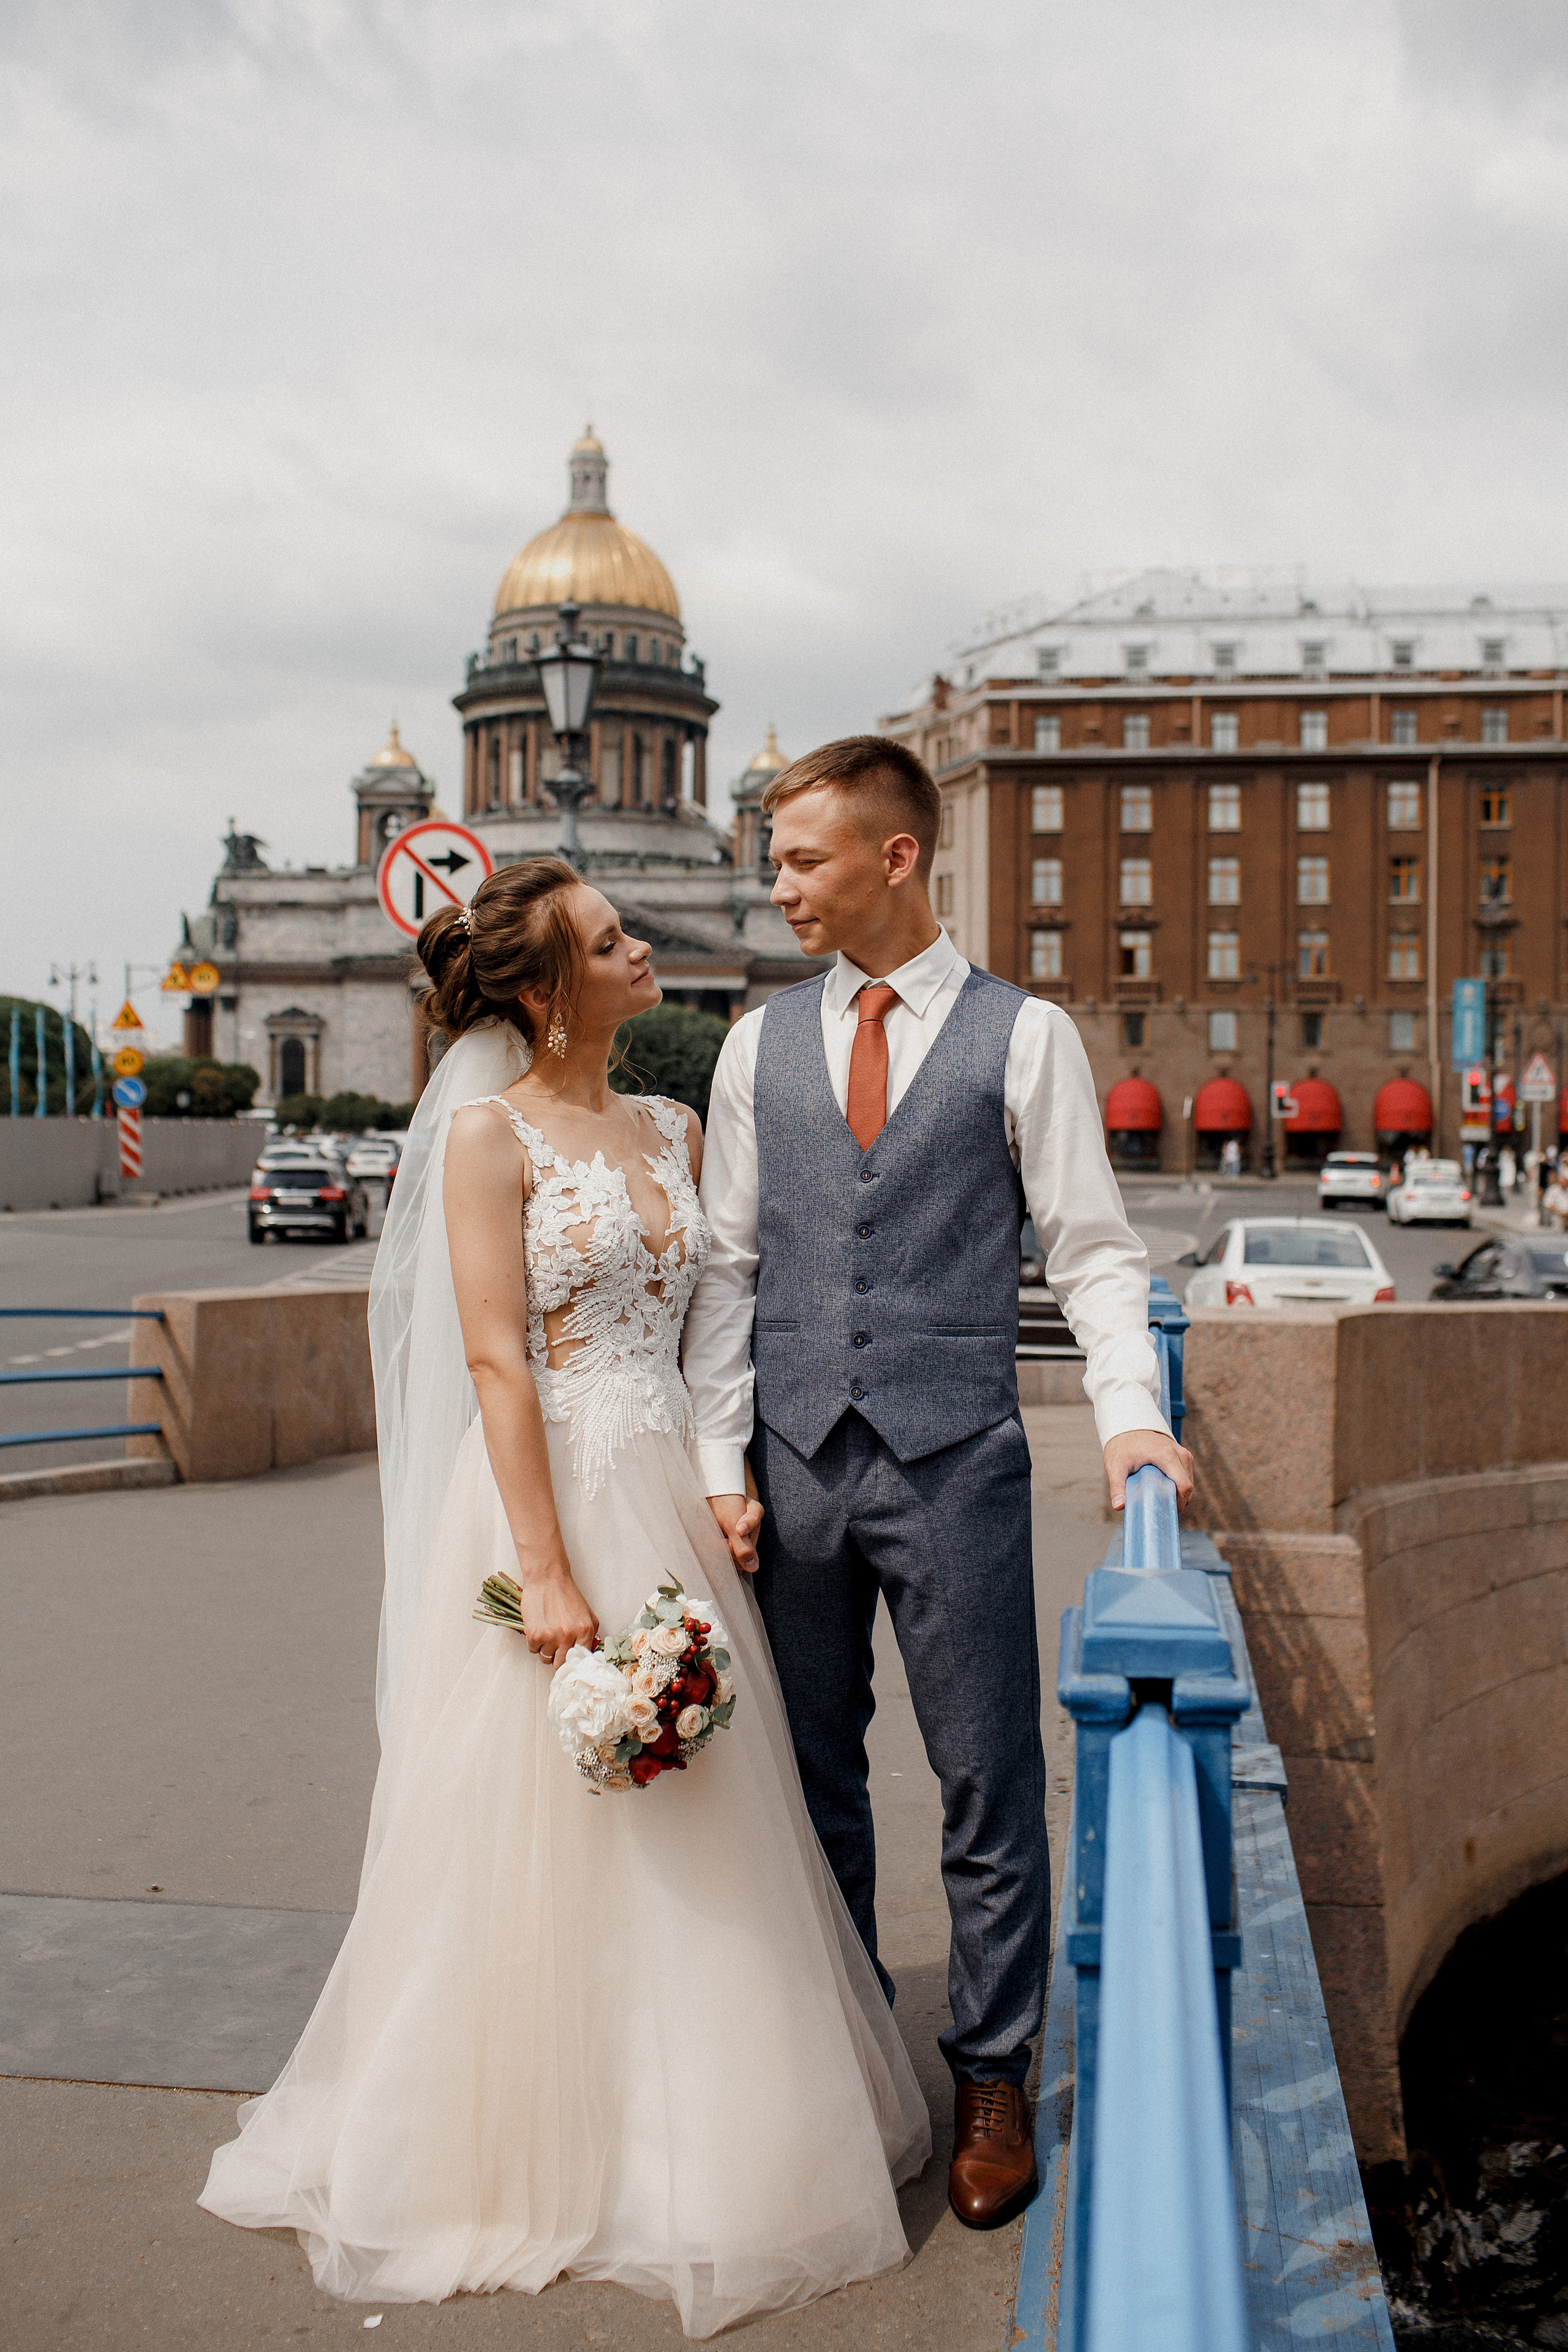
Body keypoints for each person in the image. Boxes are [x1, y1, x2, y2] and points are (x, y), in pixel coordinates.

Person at [199, 858, 930, 2339]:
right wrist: (540, 1570)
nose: (640, 946)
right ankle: (504, 2143)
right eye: (610, 940)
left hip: (665, 1483)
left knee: (692, 1806)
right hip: (549, 1499)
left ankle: (672, 2134)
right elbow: (491, 1362)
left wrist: (724, 1477)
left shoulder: (669, 1121)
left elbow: (719, 1314)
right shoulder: (483, 1138)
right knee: (523, 1824)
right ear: (543, 993)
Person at [683, 737, 1192, 2233]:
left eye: (800, 861)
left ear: (894, 858)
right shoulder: (751, 1043)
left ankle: (988, 2073)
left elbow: (1093, 1252)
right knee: (807, 1777)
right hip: (788, 1464)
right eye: (773, 861)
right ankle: (841, 2058)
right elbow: (727, 1267)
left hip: (957, 1459)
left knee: (985, 1779)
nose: (775, 885)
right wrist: (720, 1463)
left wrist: (1127, 1422)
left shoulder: (1023, 1038)